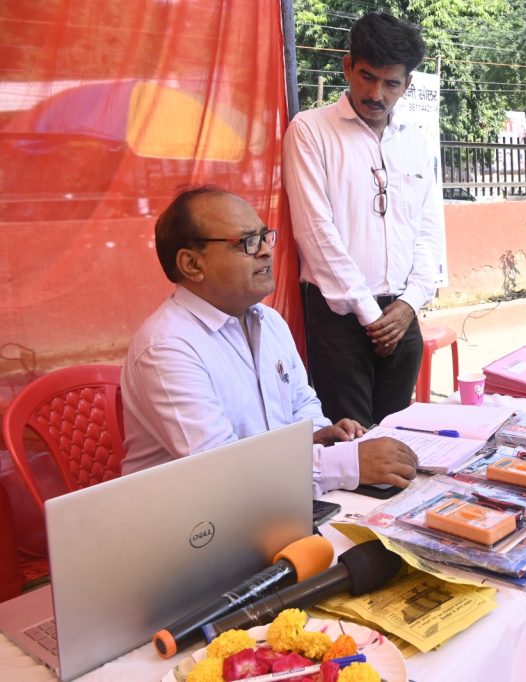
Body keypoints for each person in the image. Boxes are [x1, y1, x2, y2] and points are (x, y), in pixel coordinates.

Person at [121, 187, 418, 495]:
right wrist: (346, 464)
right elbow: (221, 471)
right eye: (247, 242)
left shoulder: (269, 321)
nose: (265, 250)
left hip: (271, 503)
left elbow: (303, 405)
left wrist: (320, 436)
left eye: (265, 237)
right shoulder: (167, 349)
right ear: (192, 265)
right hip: (192, 526)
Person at [283, 13, 442, 426]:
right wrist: (370, 313)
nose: (377, 93)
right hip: (341, 320)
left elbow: (428, 229)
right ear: (347, 66)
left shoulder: (415, 140)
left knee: (398, 438)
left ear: (407, 83)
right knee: (349, 446)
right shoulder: (310, 131)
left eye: (391, 83)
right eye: (367, 77)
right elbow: (316, 234)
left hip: (403, 314)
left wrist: (411, 302)